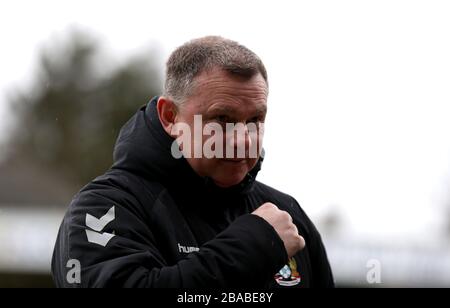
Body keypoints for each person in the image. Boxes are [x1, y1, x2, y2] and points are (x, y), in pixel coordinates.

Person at [51, 36, 334, 288]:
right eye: (222, 119)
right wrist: (252, 248)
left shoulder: (288, 214)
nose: (243, 140)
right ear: (169, 116)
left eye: (255, 120)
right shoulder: (105, 208)